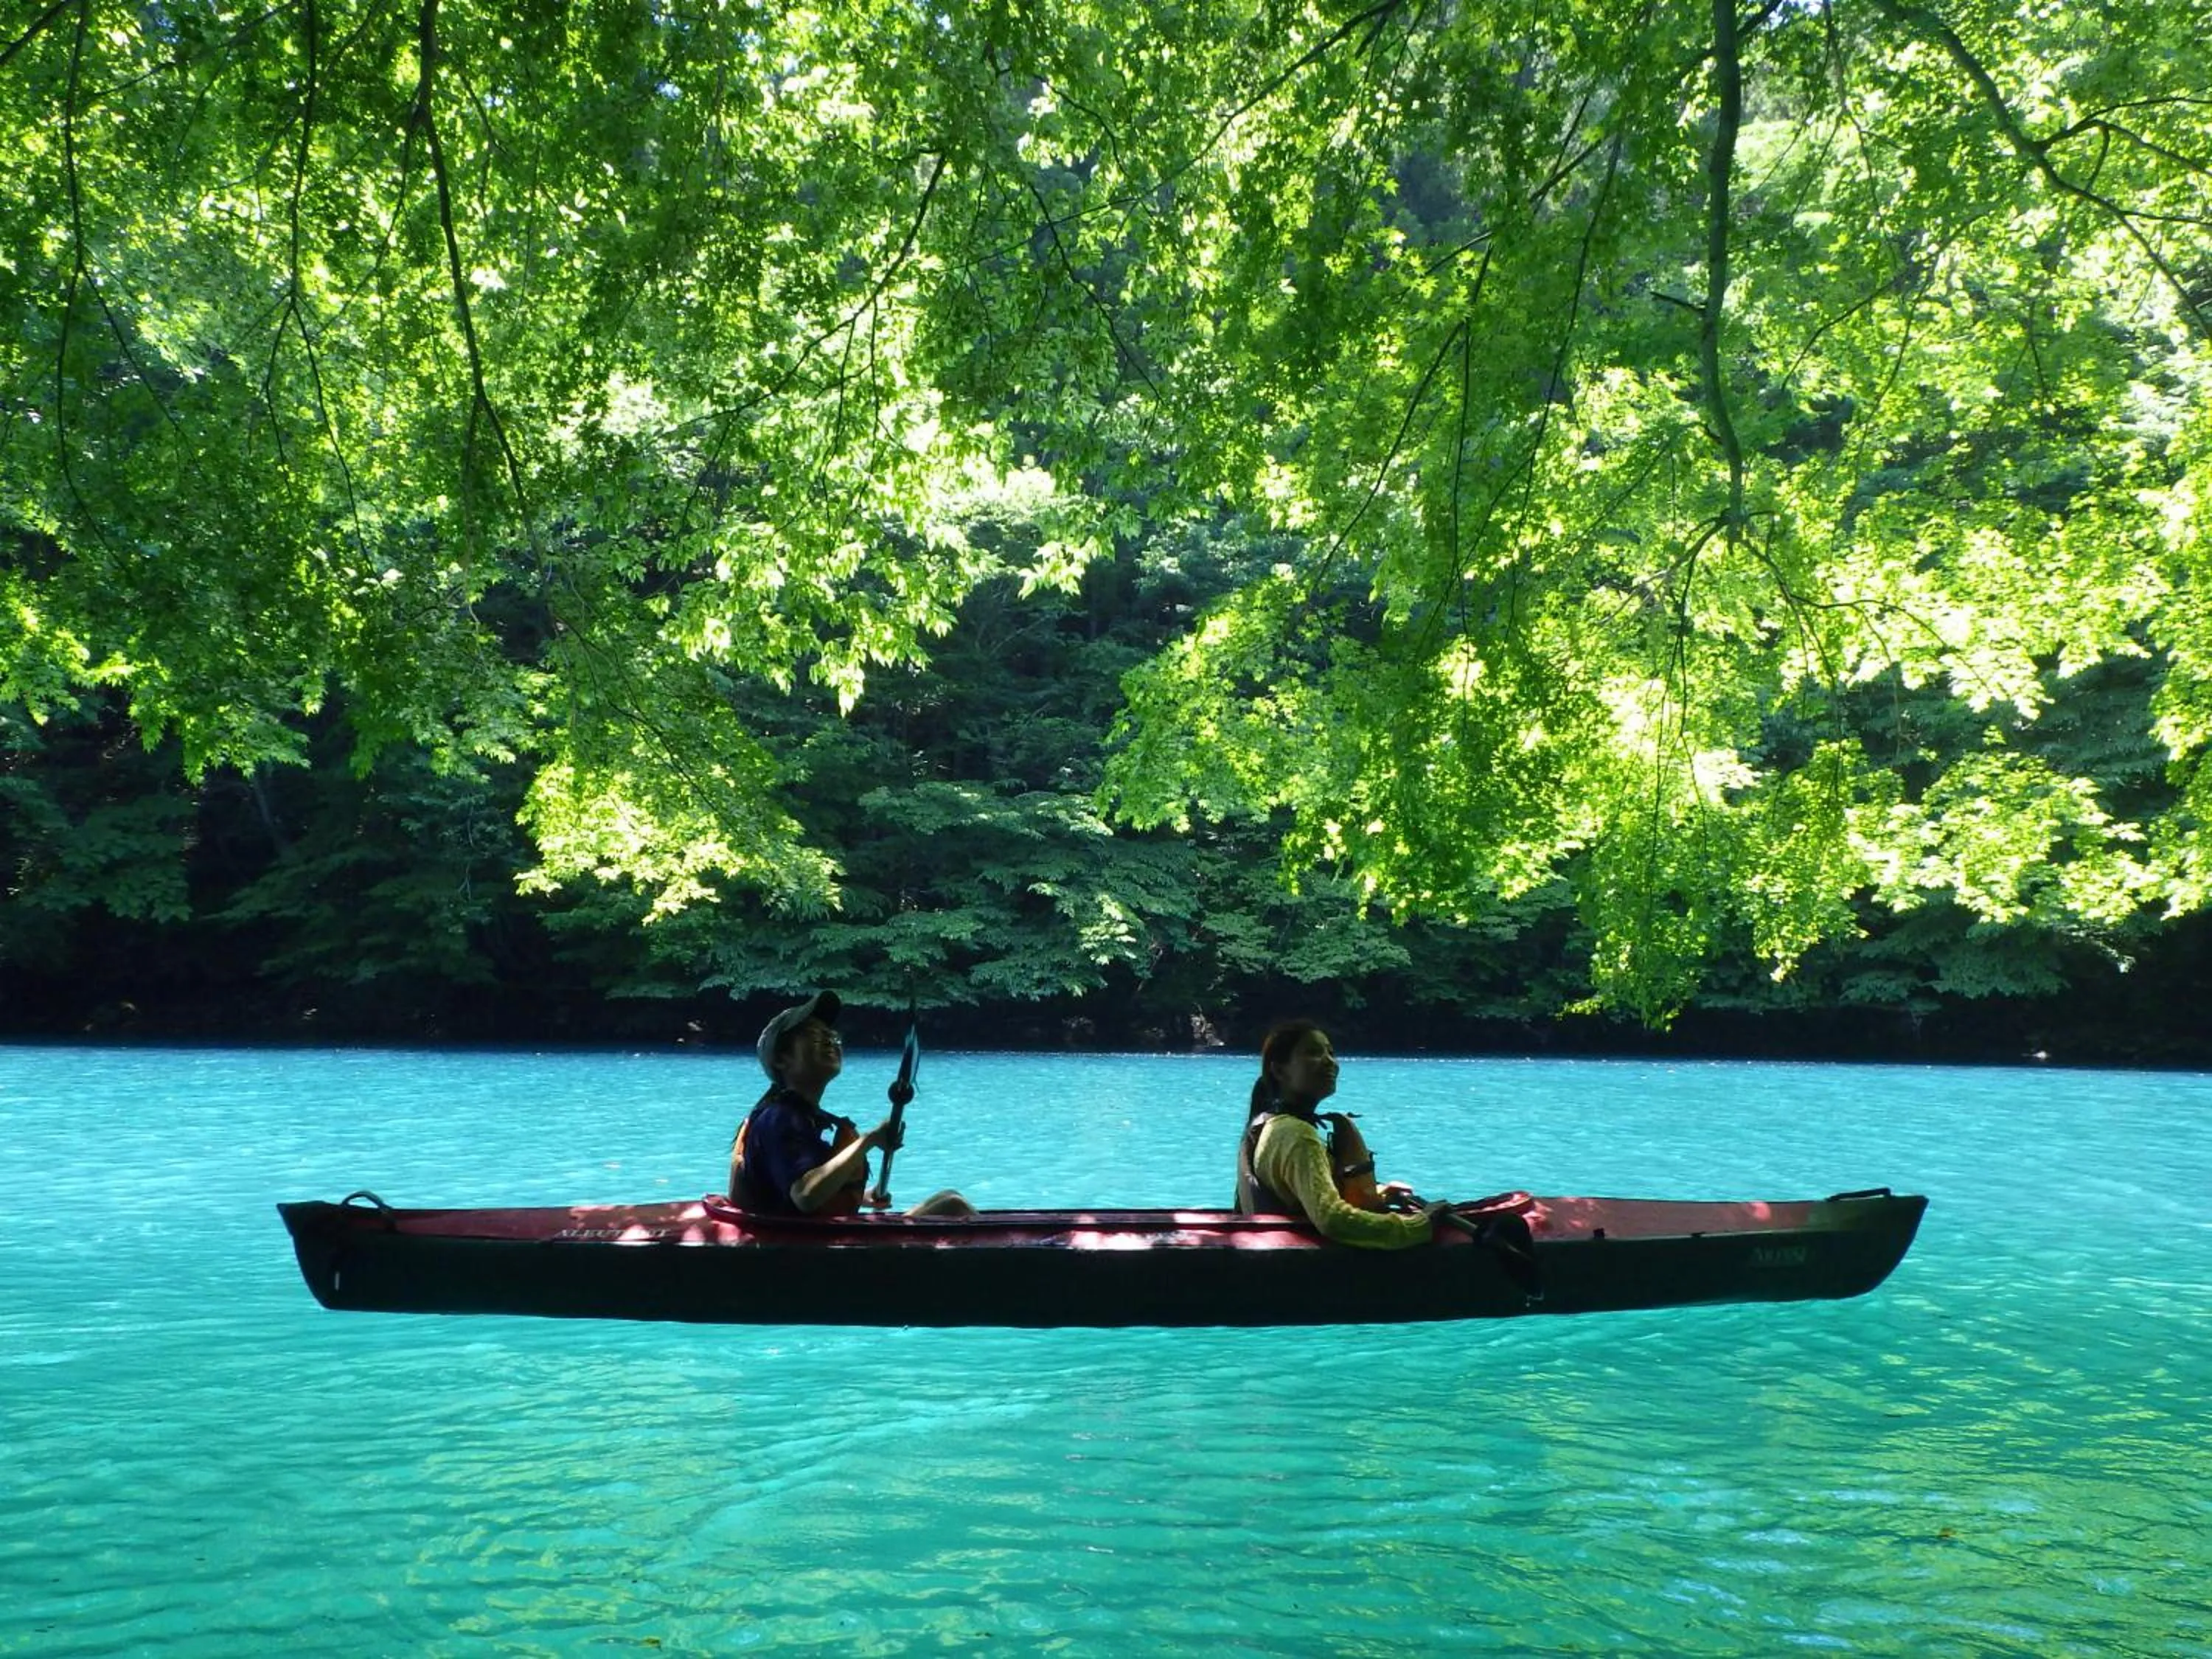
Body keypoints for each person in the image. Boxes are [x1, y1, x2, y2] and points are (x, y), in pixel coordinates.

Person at [728, 992, 975, 1219]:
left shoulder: (800, 1117)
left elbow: (796, 1189)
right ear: (782, 1059)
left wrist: (863, 1196)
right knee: (954, 1206)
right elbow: (804, 1196)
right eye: (816, 1037)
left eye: (832, 1036)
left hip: (814, 1240)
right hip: (806, 1254)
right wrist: (868, 1141)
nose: (831, 1042)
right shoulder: (779, 1118)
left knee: (949, 1198)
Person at [1234, 1019, 1447, 1248]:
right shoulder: (1296, 1135)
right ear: (1279, 1070)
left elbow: (1307, 1199)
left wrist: (1379, 1194)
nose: (1330, 1061)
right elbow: (1332, 1219)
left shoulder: (1271, 1125)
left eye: (1331, 1052)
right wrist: (1419, 1225)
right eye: (1313, 1053)